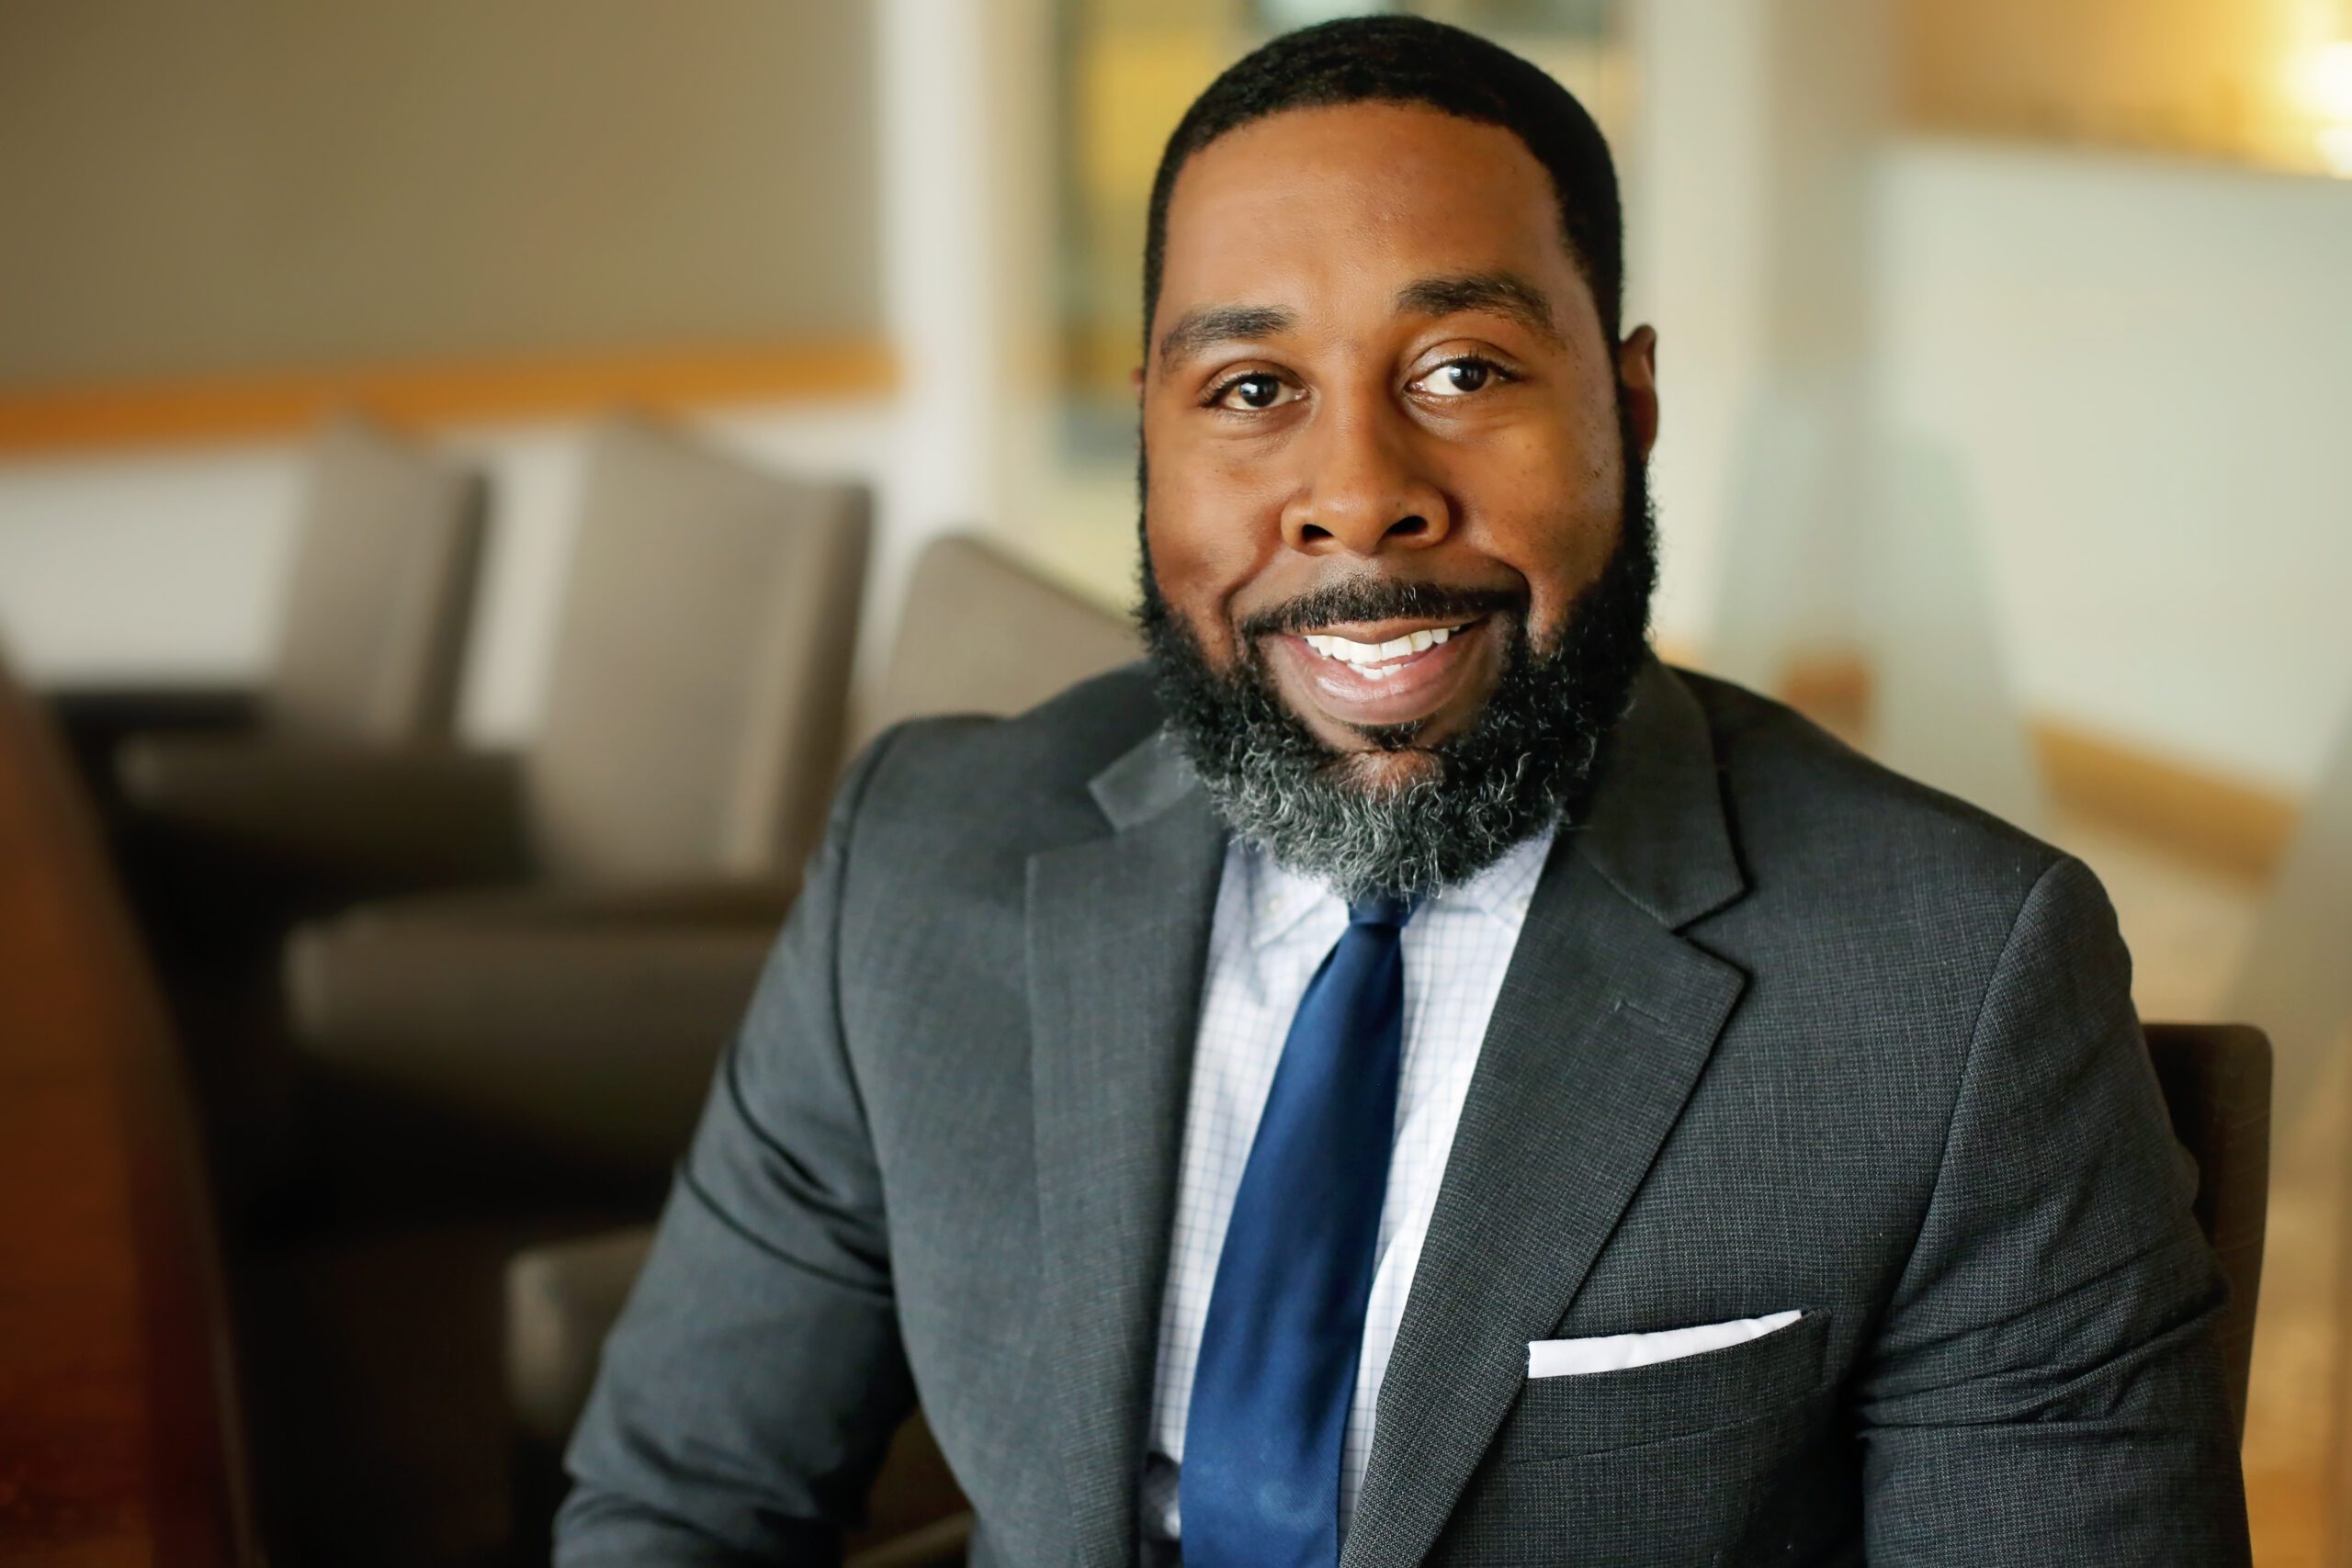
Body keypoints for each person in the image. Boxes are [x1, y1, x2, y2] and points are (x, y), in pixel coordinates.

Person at [555, 17, 2247, 1565]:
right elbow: (683, 1501)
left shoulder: (1951, 985)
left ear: (1628, 408)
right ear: (1149, 439)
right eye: (1252, 391)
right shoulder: (925, 858)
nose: (1358, 495)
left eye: (1464, 371)